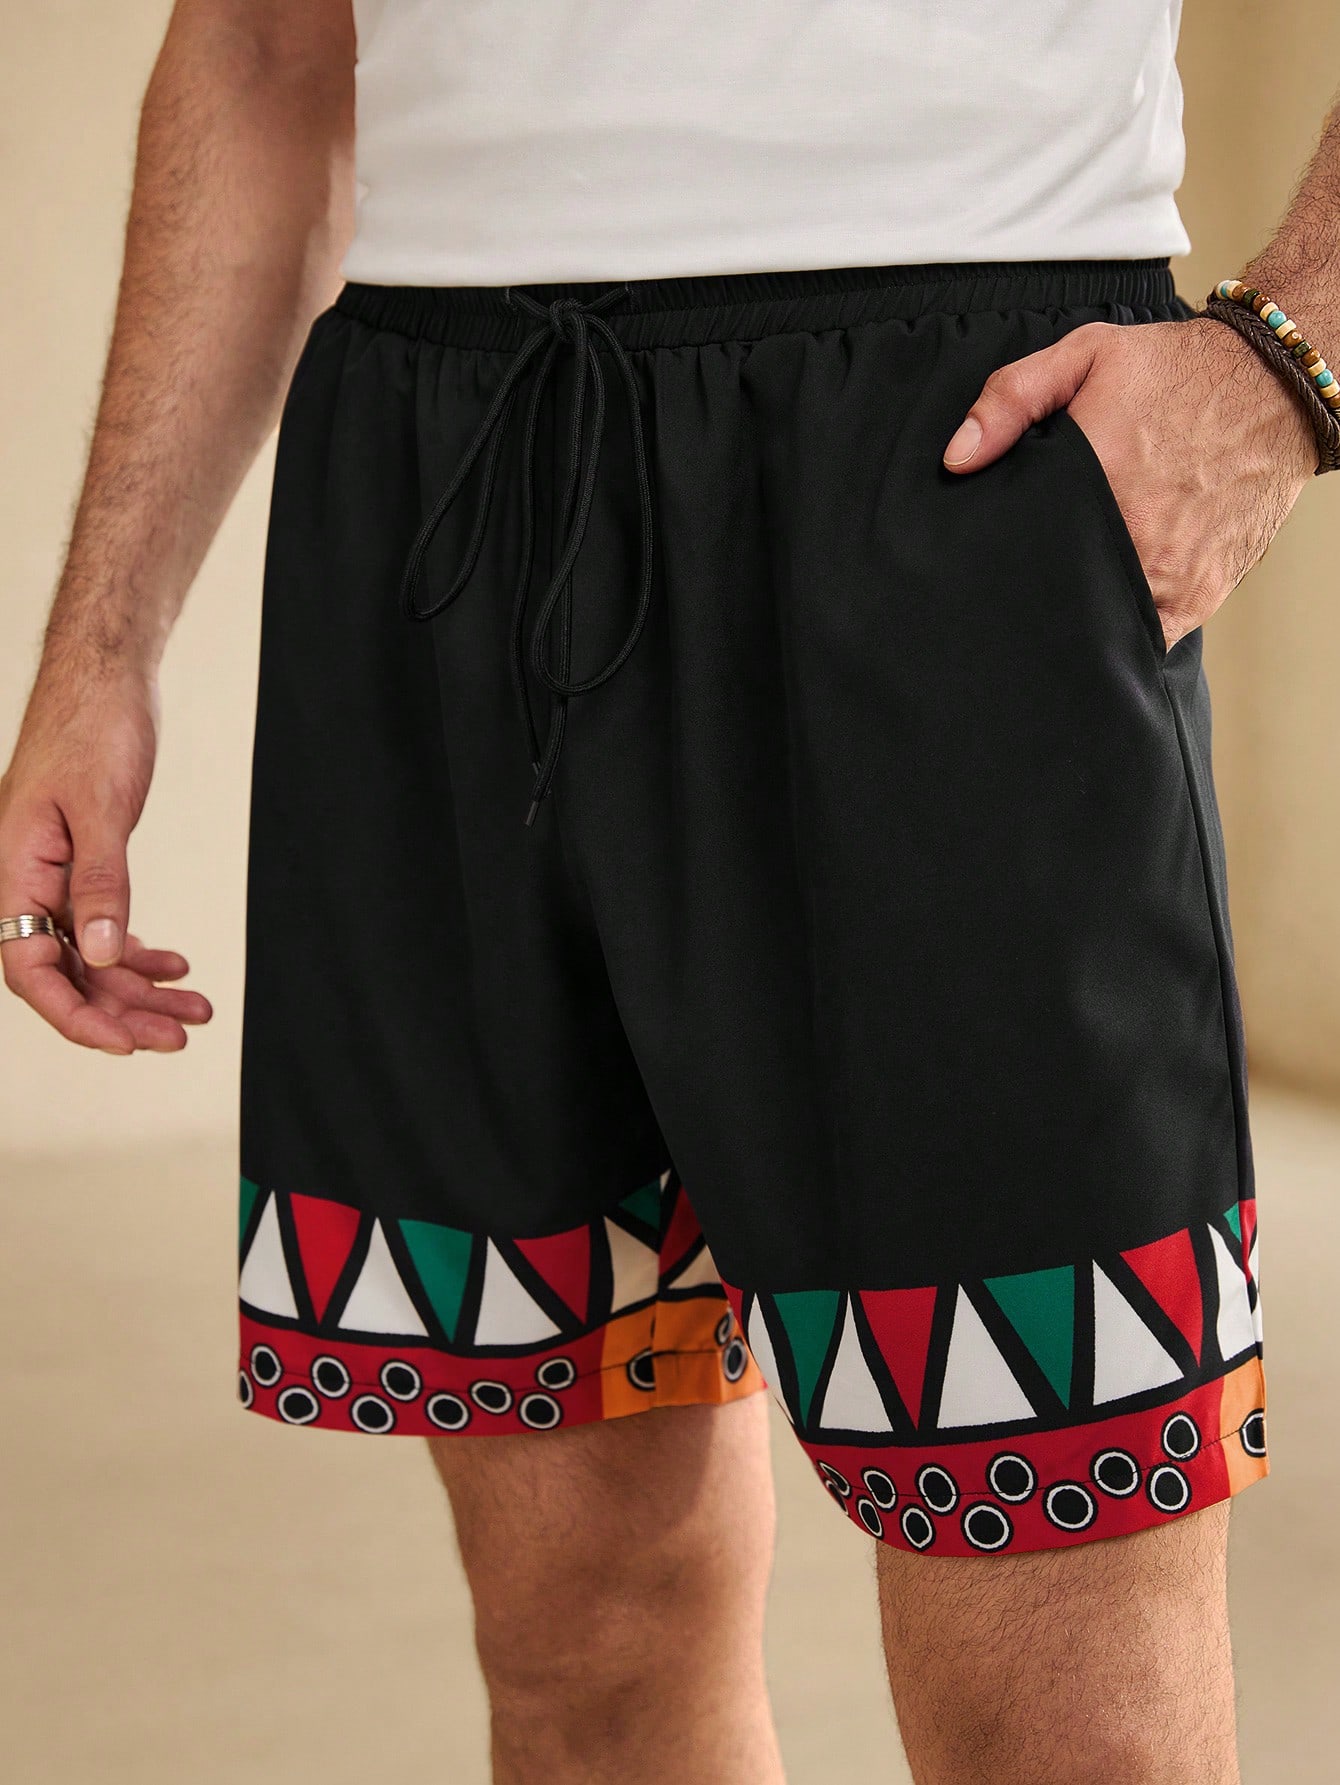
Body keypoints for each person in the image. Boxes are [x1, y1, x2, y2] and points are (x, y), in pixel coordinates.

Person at [0, 2, 1328, 1777]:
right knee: (581, 1639)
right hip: (451, 473)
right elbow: (256, 43)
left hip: (959, 443)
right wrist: (100, 648)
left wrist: (1291, 361)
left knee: (1077, 1710)